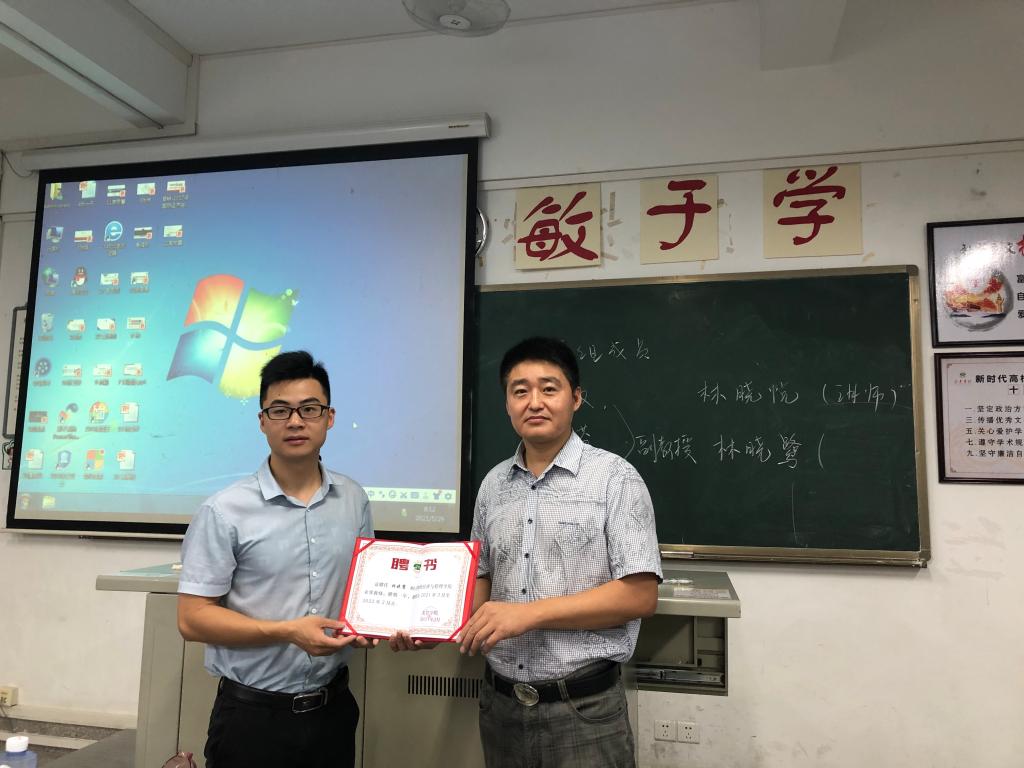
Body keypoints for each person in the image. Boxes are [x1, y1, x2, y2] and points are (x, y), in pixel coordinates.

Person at [395, 336, 662, 768]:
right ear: (507, 403)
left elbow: (639, 595)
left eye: (549, 388)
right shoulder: (492, 486)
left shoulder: (616, 478)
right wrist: (436, 628)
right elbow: (481, 581)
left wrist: (528, 614)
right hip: (501, 706)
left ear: (576, 398)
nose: (534, 402)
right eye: (520, 391)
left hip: (584, 710)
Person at [177, 350, 373, 768]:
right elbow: (192, 619)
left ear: (329, 417)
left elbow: (365, 592)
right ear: (262, 421)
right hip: (252, 719)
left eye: (309, 409)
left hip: (334, 711)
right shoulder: (224, 510)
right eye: (280, 410)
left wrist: (375, 626)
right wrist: (287, 631)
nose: (295, 421)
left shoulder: (353, 499)